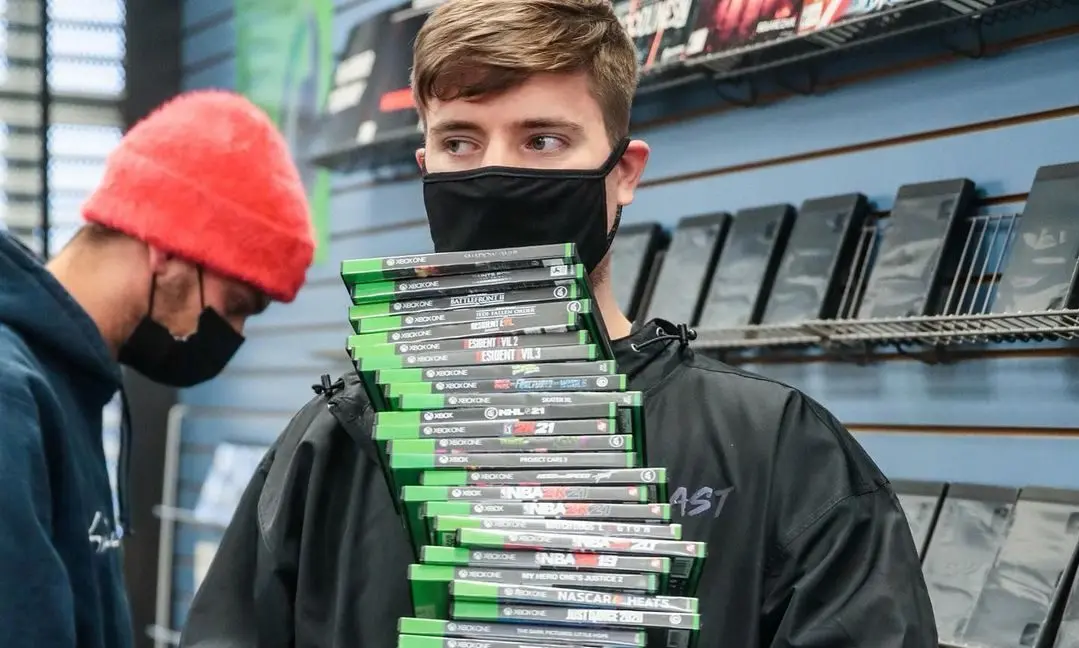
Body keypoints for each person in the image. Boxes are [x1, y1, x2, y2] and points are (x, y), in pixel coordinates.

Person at [181, 1, 938, 647]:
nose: (496, 173)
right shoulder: (334, 444)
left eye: (542, 140)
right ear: (425, 166)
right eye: (460, 142)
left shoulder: (781, 452)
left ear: (623, 172)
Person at [0, 90, 314, 648]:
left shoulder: (72, 384)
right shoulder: (10, 394)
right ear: (167, 250)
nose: (235, 335)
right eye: (237, 304)